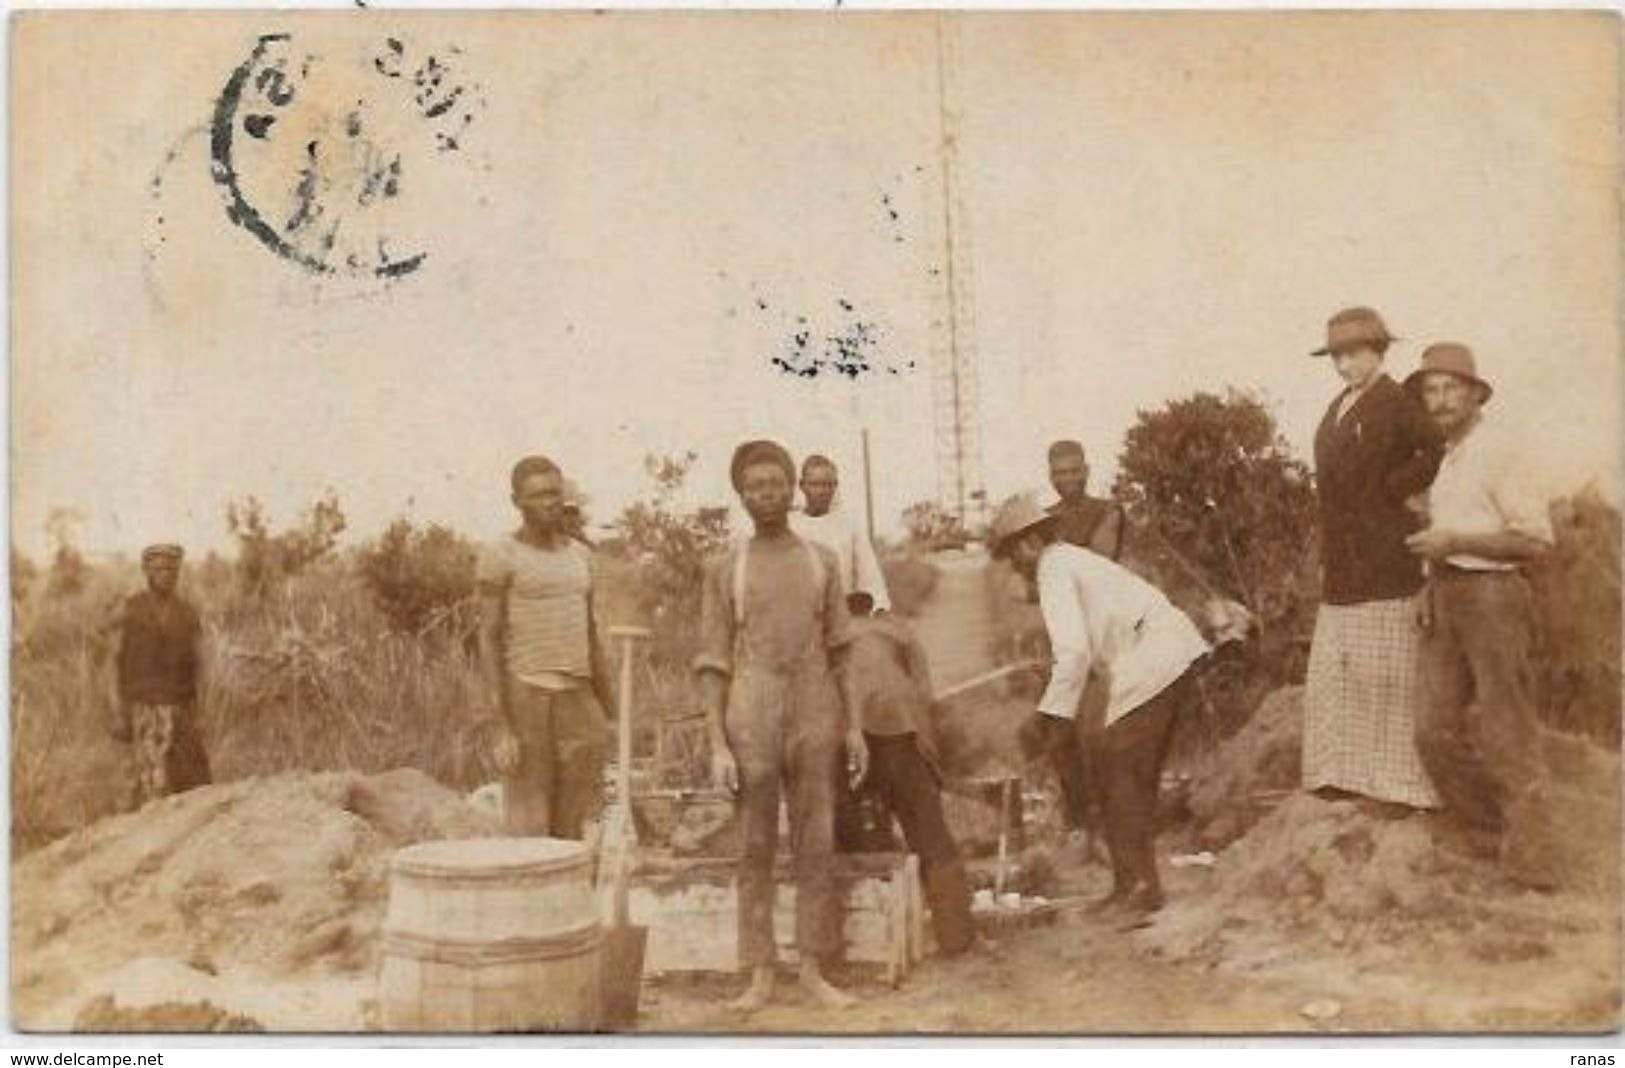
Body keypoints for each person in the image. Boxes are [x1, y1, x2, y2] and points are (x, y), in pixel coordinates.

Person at [696, 439, 867, 1013]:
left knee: (817, 839)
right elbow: (713, 662)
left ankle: (814, 968)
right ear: (741, 495)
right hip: (753, 706)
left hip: (815, 702)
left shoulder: (823, 559)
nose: (765, 494)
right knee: (755, 843)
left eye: (774, 483)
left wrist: (855, 729)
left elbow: (843, 651)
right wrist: (718, 744)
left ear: (793, 489)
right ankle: (760, 971)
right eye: (753, 486)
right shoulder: (726, 567)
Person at [992, 493, 1209, 918]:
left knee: (1119, 768)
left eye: (1012, 554)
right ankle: (1131, 884)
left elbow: (1072, 654)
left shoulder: (1052, 566)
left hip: (1154, 653)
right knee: (1122, 769)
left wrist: (1049, 719)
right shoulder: (1067, 560)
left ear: (1027, 543)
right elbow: (1081, 652)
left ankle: (1140, 888)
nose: (1014, 565)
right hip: (1157, 651)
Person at [1403, 343, 1556, 889]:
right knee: (1431, 730)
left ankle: (1537, 859)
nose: (1440, 401)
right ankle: (1491, 834)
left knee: (1506, 726)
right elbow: (1443, 542)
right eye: (1431, 392)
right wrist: (1429, 588)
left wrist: (1455, 541)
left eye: (1450, 389)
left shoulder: (1499, 450)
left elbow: (1534, 541)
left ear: (1473, 393)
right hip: (1447, 595)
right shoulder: (1450, 458)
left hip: (1493, 596)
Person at [1302, 306, 1445, 812]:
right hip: (1343, 562)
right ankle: (1339, 774)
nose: (1344, 365)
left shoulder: (1396, 401)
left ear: (1378, 352)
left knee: (1387, 672)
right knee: (1340, 671)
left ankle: (1398, 786)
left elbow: (1434, 448)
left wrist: (1395, 491)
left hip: (1386, 559)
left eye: (1354, 354)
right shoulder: (1341, 405)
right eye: (1337, 356)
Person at [475, 455, 614, 840]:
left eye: (555, 492)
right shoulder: (501, 554)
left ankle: (572, 898)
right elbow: (488, 637)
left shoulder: (580, 556)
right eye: (537, 495)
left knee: (577, 819)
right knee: (529, 826)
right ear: (516, 501)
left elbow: (590, 634)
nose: (550, 502)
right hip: (527, 695)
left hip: (578, 695)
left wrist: (610, 709)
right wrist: (500, 724)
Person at [841, 590, 976, 957]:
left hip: (855, 737)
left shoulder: (831, 632)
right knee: (930, 831)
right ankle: (956, 936)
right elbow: (923, 690)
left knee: (850, 834)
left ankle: (863, 937)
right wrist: (930, 749)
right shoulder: (899, 631)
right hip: (902, 732)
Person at [1042, 439, 1129, 847]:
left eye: (1074, 472)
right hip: (1063, 637)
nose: (1067, 480)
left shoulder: (1106, 512)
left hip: (1101, 632)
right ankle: (1078, 818)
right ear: (1050, 476)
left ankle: (1111, 820)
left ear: (1087, 471)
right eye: (1059, 473)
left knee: (1099, 728)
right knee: (1060, 729)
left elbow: (1098, 564)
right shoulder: (1044, 521)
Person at [112, 543, 211, 805]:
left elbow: (199, 665)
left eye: (171, 568)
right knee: (147, 789)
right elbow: (112, 662)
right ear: (146, 570)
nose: (166, 574)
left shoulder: (188, 613)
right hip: (142, 710)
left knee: (193, 786)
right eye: (158, 568)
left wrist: (199, 711)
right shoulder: (130, 609)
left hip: (180, 710)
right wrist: (118, 712)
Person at [793, 454, 891, 613]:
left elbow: (869, 574)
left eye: (827, 485)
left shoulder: (849, 524)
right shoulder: (791, 526)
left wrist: (879, 609)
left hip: (842, 616)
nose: (821, 491)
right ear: (802, 486)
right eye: (815, 484)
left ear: (835, 486)